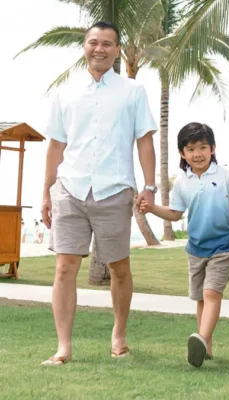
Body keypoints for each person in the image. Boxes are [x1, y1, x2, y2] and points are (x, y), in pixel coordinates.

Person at [40, 21, 158, 366]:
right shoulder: (65, 92)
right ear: (84, 46)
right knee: (64, 267)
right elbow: (56, 146)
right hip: (70, 189)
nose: (100, 49)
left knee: (120, 268)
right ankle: (63, 347)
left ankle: (119, 337)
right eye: (94, 42)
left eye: (108, 44)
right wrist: (46, 191)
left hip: (114, 190)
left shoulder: (133, 91)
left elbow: (144, 141)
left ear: (118, 50)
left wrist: (149, 186)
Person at [140, 122, 229, 368]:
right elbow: (175, 214)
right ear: (182, 153)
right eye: (191, 148)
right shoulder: (181, 182)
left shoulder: (225, 174)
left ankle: (202, 339)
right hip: (195, 249)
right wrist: (152, 208)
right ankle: (205, 347)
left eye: (203, 147)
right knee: (200, 298)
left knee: (211, 293)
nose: (197, 153)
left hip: (224, 245)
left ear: (213, 149)